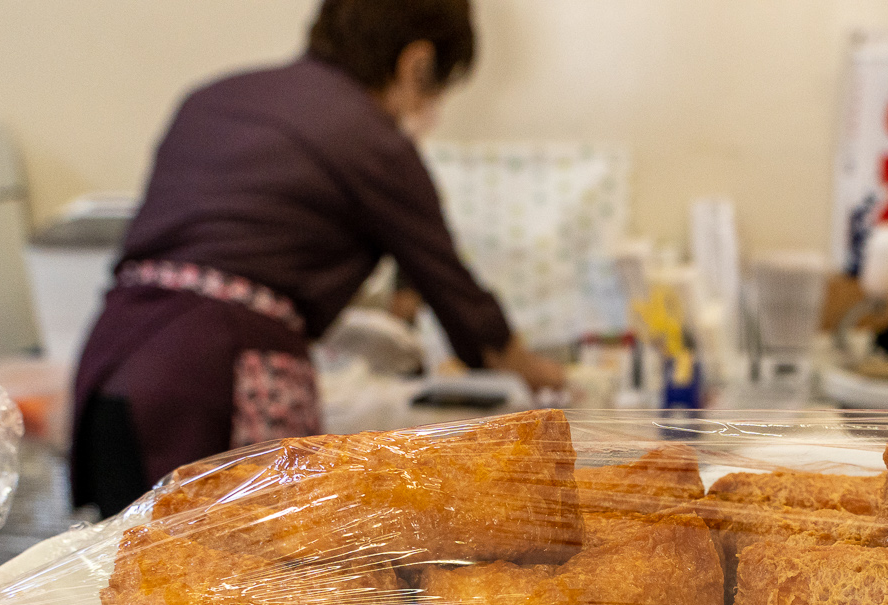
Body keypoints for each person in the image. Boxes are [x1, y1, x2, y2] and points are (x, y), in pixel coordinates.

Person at [70, 0, 564, 516]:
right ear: (416, 63)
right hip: (221, 378)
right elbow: (461, 302)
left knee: (124, 572)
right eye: (438, 90)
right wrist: (542, 374)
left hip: (112, 359)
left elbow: (223, 251)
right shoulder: (373, 140)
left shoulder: (212, 99)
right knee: (249, 574)